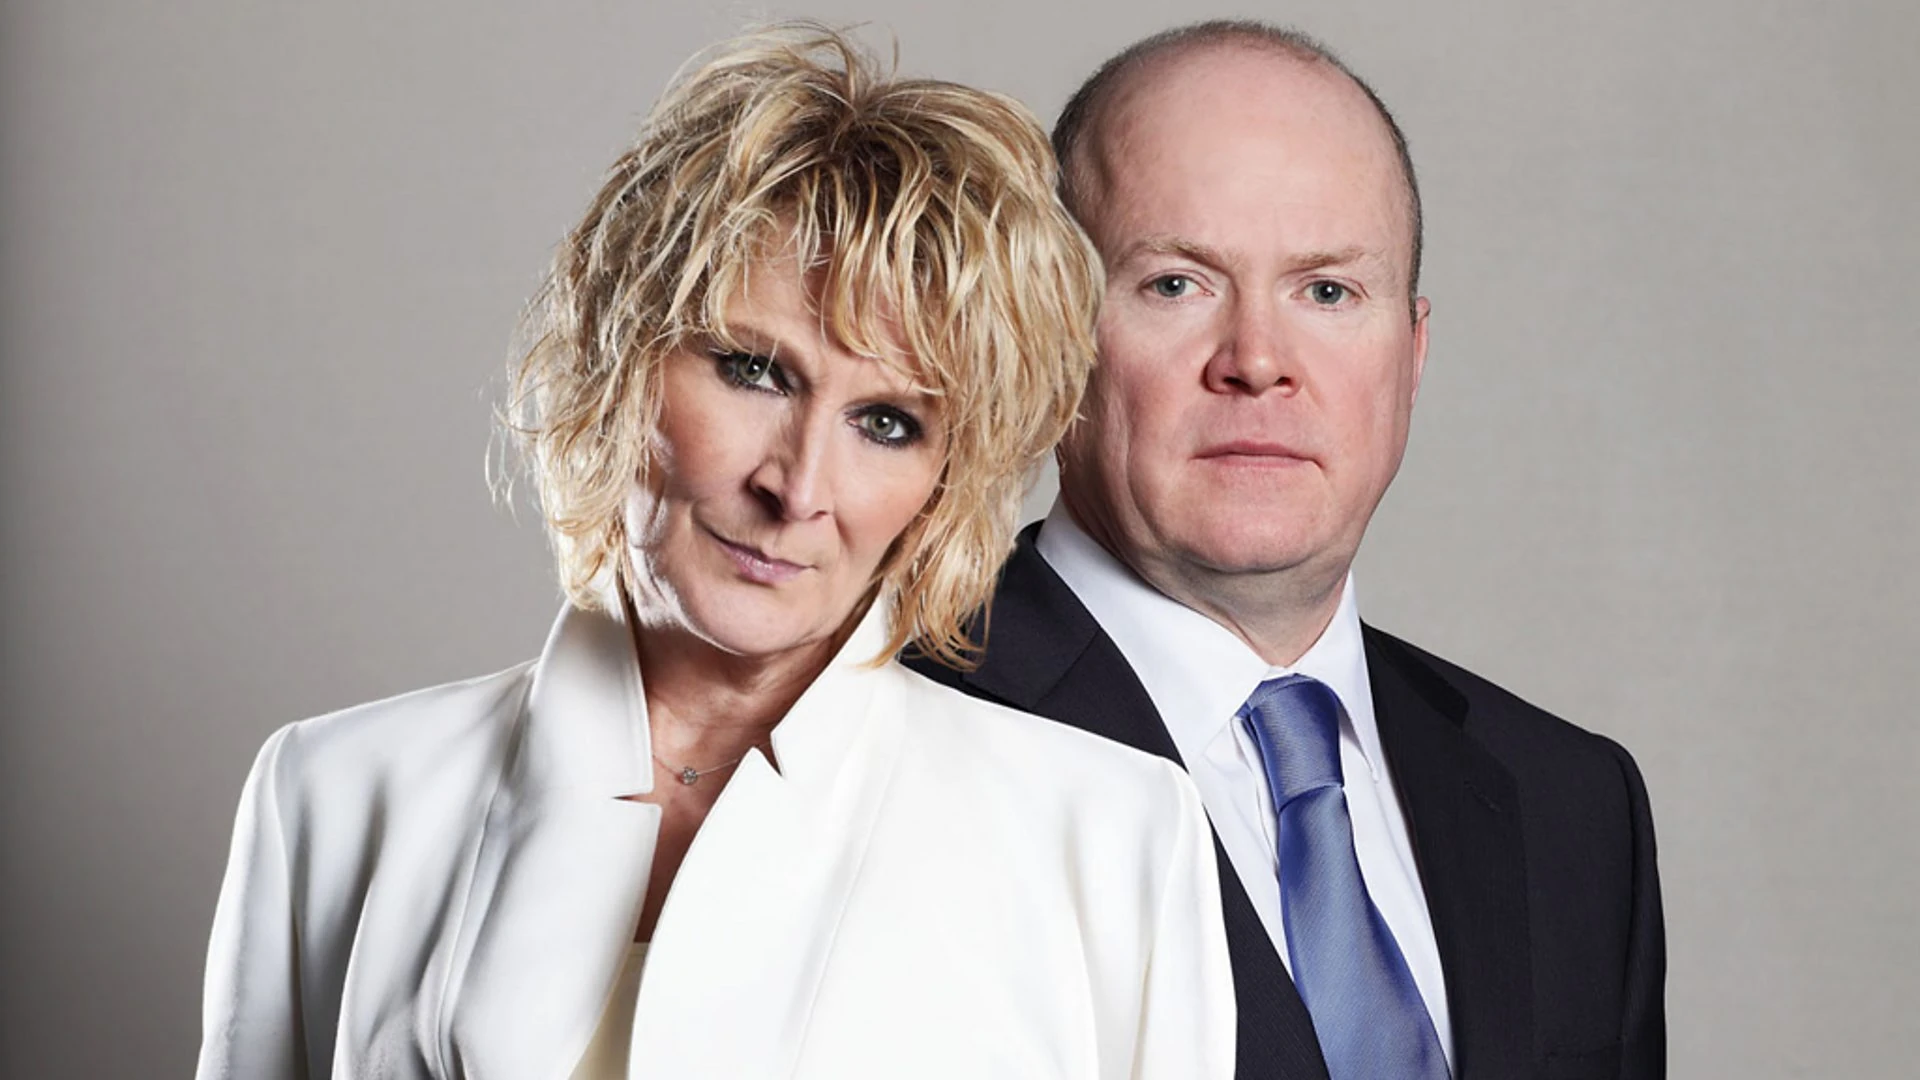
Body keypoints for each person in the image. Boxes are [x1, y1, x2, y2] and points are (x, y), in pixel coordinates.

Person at [195, 26, 1235, 1080]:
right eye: (754, 371)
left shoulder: (1113, 837)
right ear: (620, 358)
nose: (799, 488)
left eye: (887, 423)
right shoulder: (335, 792)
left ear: (943, 481)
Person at [905, 20, 1665, 1080]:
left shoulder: (1572, 806)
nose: (1258, 360)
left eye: (1328, 291)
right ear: (1049, 336)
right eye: (1176, 283)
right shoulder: (883, 747)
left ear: (1412, 354)